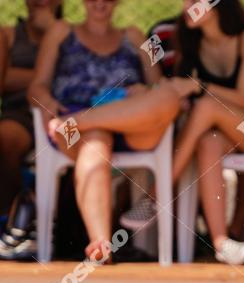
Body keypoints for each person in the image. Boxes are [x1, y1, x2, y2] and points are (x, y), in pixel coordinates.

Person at [28, 0, 186, 262]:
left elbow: (158, 86)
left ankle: (82, 121)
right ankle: (101, 244)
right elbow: (37, 87)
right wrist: (49, 105)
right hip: (73, 126)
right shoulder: (60, 32)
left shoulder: (135, 35)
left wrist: (142, 92)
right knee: (96, 141)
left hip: (129, 122)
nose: (100, 3)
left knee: (168, 97)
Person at [171, 0, 244, 266]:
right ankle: (222, 242)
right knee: (208, 141)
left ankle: (158, 191)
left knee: (208, 105)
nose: (186, 6)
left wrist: (198, 87)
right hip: (221, 130)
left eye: (194, 1)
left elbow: (243, 97)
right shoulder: (189, 43)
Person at [0, 0, 61, 222]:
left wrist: (53, 31)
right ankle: (8, 219)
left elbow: (79, 79)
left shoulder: (71, 34)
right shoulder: (7, 35)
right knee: (5, 139)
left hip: (61, 112)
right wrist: (44, 76)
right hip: (19, 114)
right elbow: (3, 80)